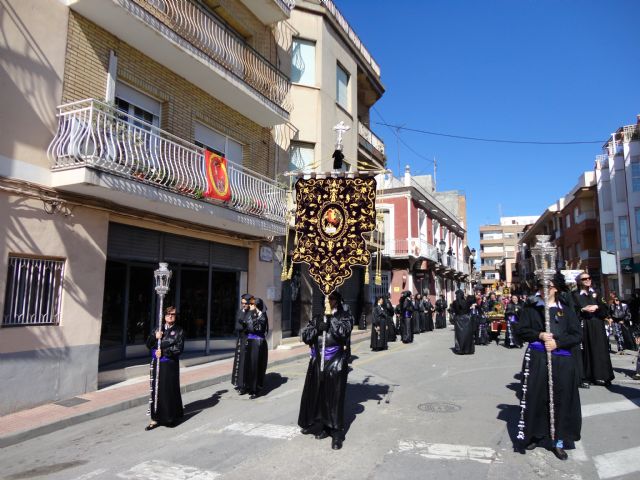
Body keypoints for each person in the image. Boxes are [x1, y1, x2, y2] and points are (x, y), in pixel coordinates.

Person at [517, 274, 582, 461]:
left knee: (561, 398)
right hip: (537, 358)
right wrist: (539, 335)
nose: (543, 289)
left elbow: (577, 334)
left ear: (556, 289)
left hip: (562, 360)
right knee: (538, 396)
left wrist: (558, 343)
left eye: (548, 286)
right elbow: (521, 331)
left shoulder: (566, 310)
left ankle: (558, 440)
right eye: (540, 286)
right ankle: (536, 434)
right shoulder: (531, 309)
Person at [298, 290, 353, 450]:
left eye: (332, 298)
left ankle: (336, 433)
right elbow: (306, 336)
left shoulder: (345, 316)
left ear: (337, 301)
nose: (328, 301)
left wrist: (331, 322)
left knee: (334, 397)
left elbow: (344, 333)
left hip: (335, 360)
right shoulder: (317, 317)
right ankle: (322, 426)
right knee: (319, 394)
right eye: (326, 299)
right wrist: (317, 328)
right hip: (318, 361)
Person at [145, 306, 184, 430]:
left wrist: (165, 353)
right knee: (156, 390)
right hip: (156, 364)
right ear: (164, 316)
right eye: (168, 314)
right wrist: (154, 337)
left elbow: (178, 349)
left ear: (175, 316)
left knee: (168, 390)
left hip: (169, 364)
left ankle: (170, 417)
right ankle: (155, 418)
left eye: (172, 314)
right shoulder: (158, 328)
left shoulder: (179, 331)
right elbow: (148, 344)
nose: (170, 316)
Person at [572, 273, 614, 386]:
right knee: (585, 351)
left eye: (589, 278)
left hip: (597, 324)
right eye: (584, 279)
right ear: (579, 281)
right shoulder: (574, 295)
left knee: (600, 350)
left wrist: (598, 307)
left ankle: (604, 376)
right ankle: (586, 377)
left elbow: (605, 308)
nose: (587, 280)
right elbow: (572, 310)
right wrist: (582, 309)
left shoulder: (596, 293)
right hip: (584, 324)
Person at [242, 297, 269, 398]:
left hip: (258, 343)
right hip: (250, 342)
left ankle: (255, 389)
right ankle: (249, 386)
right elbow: (247, 326)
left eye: (253, 305)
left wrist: (253, 314)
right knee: (249, 365)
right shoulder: (252, 314)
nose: (251, 306)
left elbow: (258, 328)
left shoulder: (262, 316)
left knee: (256, 366)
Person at [232, 294, 252, 395]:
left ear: (249, 303)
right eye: (242, 303)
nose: (243, 305)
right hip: (240, 339)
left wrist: (244, 324)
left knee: (245, 363)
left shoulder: (252, 313)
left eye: (245, 303)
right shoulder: (240, 312)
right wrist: (244, 324)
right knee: (239, 362)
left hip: (248, 341)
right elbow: (237, 327)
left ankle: (244, 385)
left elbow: (251, 328)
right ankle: (239, 384)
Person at [452, 289, 476, 354]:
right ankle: (467, 349)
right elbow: (474, 298)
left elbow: (452, 310)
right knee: (467, 335)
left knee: (459, 336)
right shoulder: (467, 301)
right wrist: (467, 295)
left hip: (459, 320)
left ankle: (460, 349)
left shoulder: (454, 302)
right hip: (467, 319)